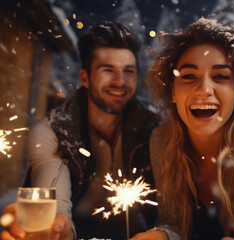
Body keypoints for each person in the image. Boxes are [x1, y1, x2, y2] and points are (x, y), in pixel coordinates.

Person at [1, 21, 158, 240]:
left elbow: (171, 211)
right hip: (77, 230)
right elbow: (54, 194)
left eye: (128, 71)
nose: (120, 81)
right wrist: (55, 226)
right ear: (85, 78)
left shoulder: (153, 129)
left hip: (137, 232)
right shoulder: (54, 130)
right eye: (108, 70)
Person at [131, 17, 234, 240]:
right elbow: (172, 223)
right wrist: (160, 236)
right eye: (189, 76)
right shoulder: (162, 139)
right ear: (173, 90)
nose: (204, 89)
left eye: (220, 76)